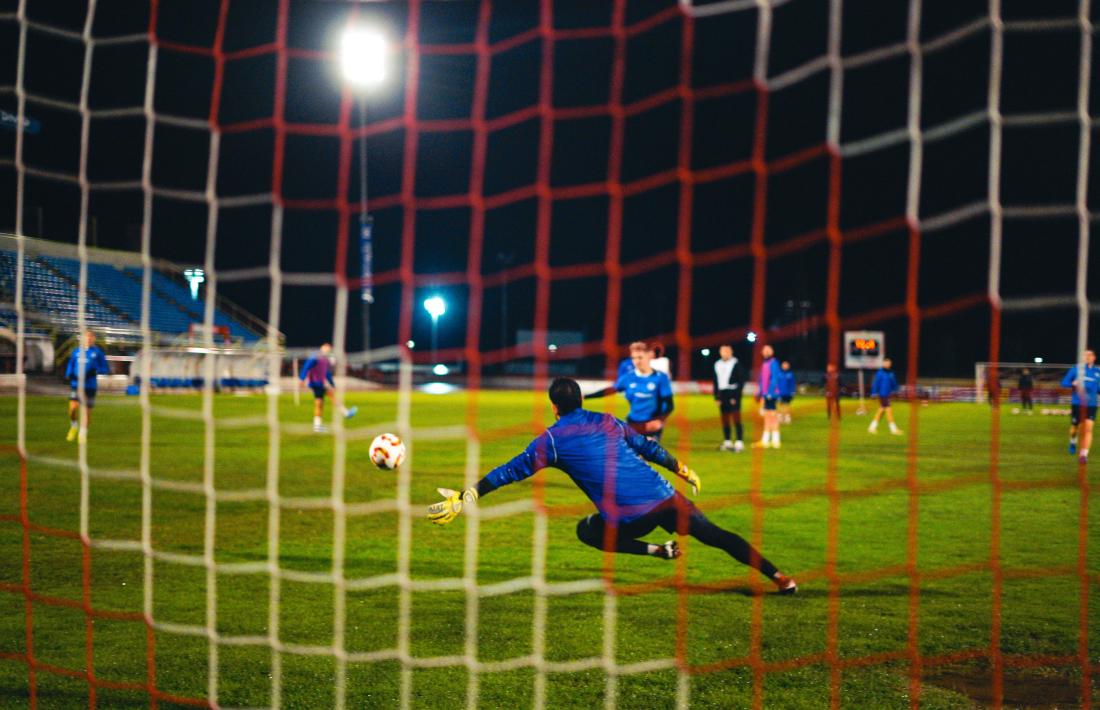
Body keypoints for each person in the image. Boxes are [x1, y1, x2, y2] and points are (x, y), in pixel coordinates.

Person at [427, 377, 797, 594]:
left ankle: (655, 552)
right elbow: (646, 446)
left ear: (554, 407)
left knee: (587, 530)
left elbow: (509, 471)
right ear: (581, 400)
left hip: (631, 517)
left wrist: (466, 495)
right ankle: (779, 577)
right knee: (715, 535)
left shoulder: (551, 440)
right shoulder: (608, 421)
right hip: (665, 495)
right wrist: (682, 468)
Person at [585, 341, 674, 441]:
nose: (637, 361)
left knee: (647, 454)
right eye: (633, 358)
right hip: (632, 423)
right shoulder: (628, 377)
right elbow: (610, 390)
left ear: (649, 356)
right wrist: (586, 396)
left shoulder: (660, 378)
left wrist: (660, 421)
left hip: (651, 426)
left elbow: (669, 405)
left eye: (640, 357)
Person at [299, 343, 358, 433]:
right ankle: (346, 413)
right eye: (327, 349)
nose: (328, 351)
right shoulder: (316, 356)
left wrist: (332, 383)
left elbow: (327, 373)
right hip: (315, 383)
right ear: (322, 349)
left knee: (320, 403)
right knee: (328, 399)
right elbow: (306, 366)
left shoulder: (325, 360)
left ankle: (318, 426)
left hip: (320, 384)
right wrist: (302, 379)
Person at [65, 330, 110, 443]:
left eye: (91, 337)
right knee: (72, 409)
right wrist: (68, 374)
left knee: (86, 412)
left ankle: (82, 433)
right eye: (87, 337)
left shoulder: (98, 352)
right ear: (82, 338)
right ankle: (74, 427)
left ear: (94, 339)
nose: (89, 339)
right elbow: (71, 365)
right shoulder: (76, 352)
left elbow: (105, 369)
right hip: (76, 385)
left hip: (90, 386)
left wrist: (95, 370)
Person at [1062, 349, 1098, 463]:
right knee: (1075, 428)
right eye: (1085, 355)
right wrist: (1072, 383)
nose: (1087, 356)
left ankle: (1084, 455)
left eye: (1090, 354)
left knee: (1088, 429)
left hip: (1091, 404)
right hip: (1077, 403)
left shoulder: (1098, 372)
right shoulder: (1075, 369)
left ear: (1094, 357)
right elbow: (1064, 383)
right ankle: (1073, 441)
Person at [713, 344, 746, 452]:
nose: (725, 353)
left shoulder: (736, 363)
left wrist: (736, 396)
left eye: (727, 351)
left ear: (731, 352)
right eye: (723, 351)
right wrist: (717, 397)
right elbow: (715, 382)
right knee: (725, 418)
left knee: (736, 417)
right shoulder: (717, 364)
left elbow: (741, 381)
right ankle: (727, 440)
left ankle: (739, 441)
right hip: (722, 394)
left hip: (733, 393)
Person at [752, 344, 782, 449]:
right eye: (764, 350)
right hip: (766, 394)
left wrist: (769, 393)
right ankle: (768, 440)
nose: (766, 352)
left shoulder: (773, 362)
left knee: (772, 417)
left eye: (768, 350)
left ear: (772, 352)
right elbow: (762, 380)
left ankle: (775, 441)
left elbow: (774, 378)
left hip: (771, 394)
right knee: (768, 417)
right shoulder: (765, 363)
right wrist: (759, 392)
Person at [868, 358, 902, 435]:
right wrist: (874, 393)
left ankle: (872, 427)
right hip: (882, 394)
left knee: (881, 411)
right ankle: (893, 429)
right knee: (888, 411)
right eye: (886, 363)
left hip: (888, 394)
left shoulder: (891, 373)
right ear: (883, 364)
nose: (887, 364)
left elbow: (894, 383)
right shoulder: (880, 373)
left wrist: (896, 390)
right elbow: (876, 383)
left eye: (889, 363)